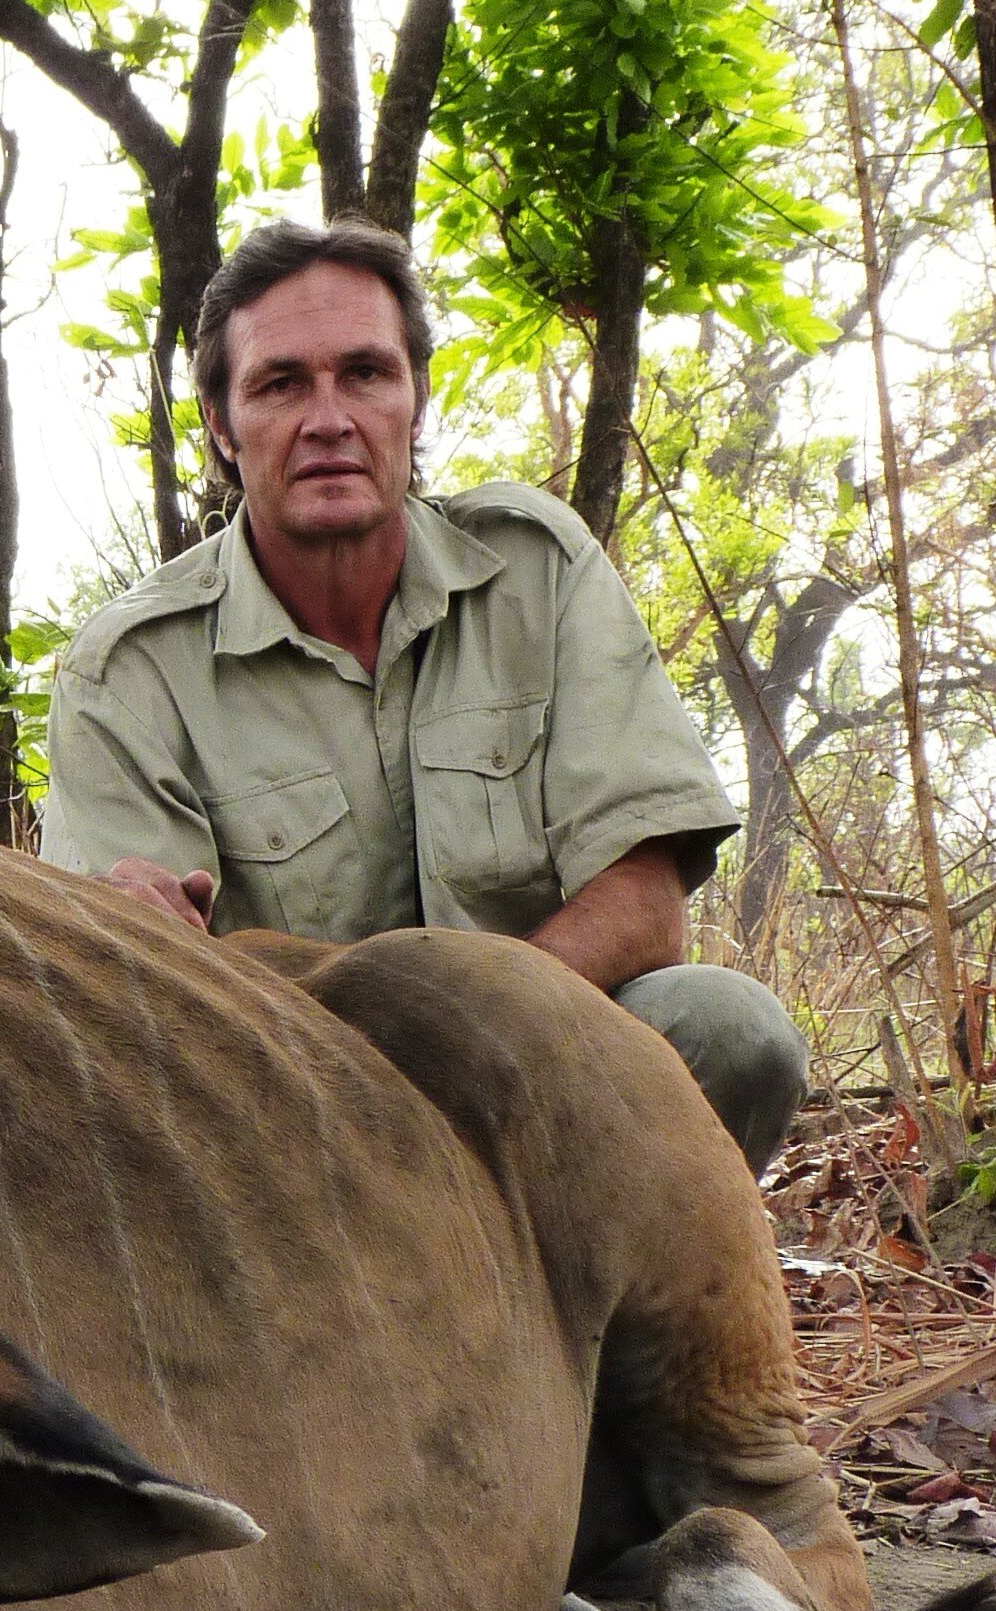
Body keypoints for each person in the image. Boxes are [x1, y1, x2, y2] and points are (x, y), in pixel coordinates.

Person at [40, 216, 810, 1175]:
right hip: (287, 1121)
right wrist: (122, 927)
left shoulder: (538, 568)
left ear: (417, 395)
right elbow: (137, 1003)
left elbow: (646, 898)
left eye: (364, 372)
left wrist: (466, 1043)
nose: (329, 419)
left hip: (535, 1075)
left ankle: (601, 1326)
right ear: (220, 429)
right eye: (279, 384)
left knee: (731, 1030)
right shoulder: (125, 669)